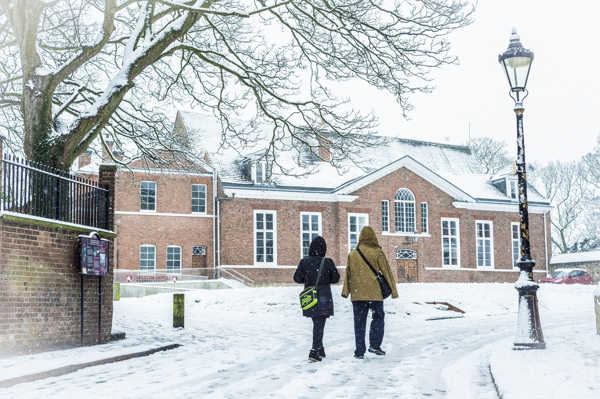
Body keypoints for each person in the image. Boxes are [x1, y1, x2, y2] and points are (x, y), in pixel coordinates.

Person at [342, 226, 398, 359]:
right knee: (378, 318)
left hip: (358, 294)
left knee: (359, 323)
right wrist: (394, 291)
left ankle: (359, 351)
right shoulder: (377, 252)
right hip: (375, 294)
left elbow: (348, 274)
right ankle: (375, 345)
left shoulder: (353, 254)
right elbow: (387, 272)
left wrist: (346, 291)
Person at [294, 235, 340, 362]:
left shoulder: (304, 261)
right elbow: (336, 278)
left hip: (311, 297)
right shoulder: (328, 262)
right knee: (319, 324)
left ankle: (319, 348)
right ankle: (315, 350)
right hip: (323, 297)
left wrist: (308, 278)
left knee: (317, 323)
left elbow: (297, 278)